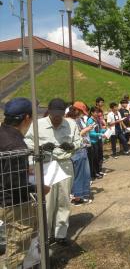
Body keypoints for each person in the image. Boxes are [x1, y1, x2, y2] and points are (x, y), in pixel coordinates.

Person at [25, 98, 81, 246]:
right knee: (47, 202)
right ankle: (46, 234)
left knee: (64, 200)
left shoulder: (71, 124)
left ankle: (60, 234)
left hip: (64, 165)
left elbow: (79, 141)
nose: (57, 118)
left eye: (60, 114)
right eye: (54, 114)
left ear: (64, 113)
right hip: (46, 166)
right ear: (48, 111)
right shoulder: (38, 125)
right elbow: (27, 142)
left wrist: (72, 146)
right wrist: (41, 147)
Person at [0, 98, 45, 268]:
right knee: (17, 244)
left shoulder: (2, 133)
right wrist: (38, 188)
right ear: (27, 117)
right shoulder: (16, 144)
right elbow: (15, 183)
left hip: (4, 197)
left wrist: (25, 169)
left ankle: (31, 262)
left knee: (29, 232)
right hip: (14, 202)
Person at [66, 103, 93, 205]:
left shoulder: (74, 120)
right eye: (81, 112)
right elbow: (75, 136)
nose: (82, 115)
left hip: (81, 148)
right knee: (79, 174)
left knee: (84, 174)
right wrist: (86, 129)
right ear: (77, 111)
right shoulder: (70, 121)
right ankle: (77, 197)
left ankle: (81, 195)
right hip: (77, 150)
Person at [87, 107, 106, 179]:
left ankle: (98, 170)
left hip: (98, 140)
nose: (97, 113)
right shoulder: (90, 121)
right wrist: (100, 134)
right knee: (94, 158)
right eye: (95, 112)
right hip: (93, 141)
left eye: (97, 112)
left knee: (98, 156)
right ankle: (94, 173)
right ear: (91, 112)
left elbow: (99, 130)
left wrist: (105, 130)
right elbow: (91, 133)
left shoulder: (97, 119)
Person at [95, 97, 106, 163]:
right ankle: (99, 157)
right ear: (97, 103)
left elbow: (102, 118)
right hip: (97, 127)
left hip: (101, 127)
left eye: (103, 102)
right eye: (101, 102)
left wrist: (104, 124)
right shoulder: (95, 109)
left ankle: (101, 156)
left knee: (101, 143)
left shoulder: (101, 109)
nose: (102, 103)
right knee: (98, 143)